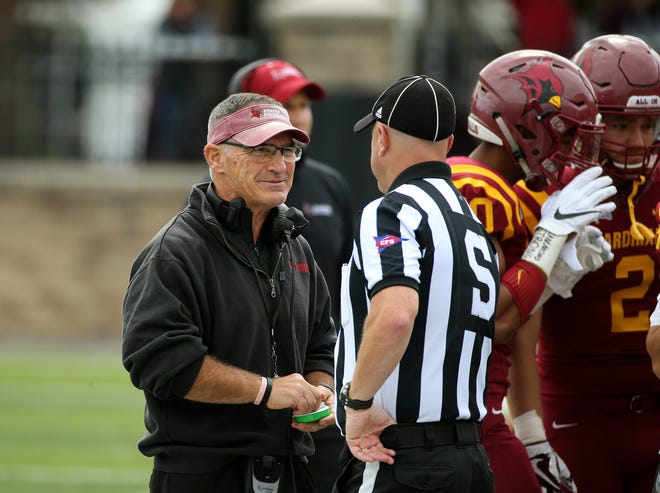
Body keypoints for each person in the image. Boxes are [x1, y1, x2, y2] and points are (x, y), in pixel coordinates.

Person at [122, 92, 337, 493]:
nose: (279, 165)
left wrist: (320, 387)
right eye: (261, 150)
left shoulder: (296, 246)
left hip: (292, 471)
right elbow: (159, 360)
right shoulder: (175, 251)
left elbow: (322, 340)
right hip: (203, 476)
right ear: (215, 156)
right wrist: (265, 390)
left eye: (288, 151)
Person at [447, 49, 618, 492]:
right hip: (461, 416)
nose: (571, 151)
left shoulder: (510, 191)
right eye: (563, 134)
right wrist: (548, 244)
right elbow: (492, 321)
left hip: (480, 409)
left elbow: (512, 322)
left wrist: (548, 278)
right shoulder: (475, 188)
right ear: (528, 127)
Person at [333, 75, 500, 493]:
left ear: (381, 137)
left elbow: (395, 315)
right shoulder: (472, 222)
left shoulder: (392, 210)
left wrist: (357, 404)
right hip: (470, 460)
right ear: (447, 145)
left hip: (403, 458)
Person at [512, 34, 660, 492]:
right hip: (577, 415)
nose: (638, 141)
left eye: (650, 124)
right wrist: (530, 431)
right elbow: (518, 324)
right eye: (619, 125)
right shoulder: (547, 192)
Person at [226, 58, 354, 492]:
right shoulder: (222, 203)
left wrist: (326, 380)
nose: (298, 116)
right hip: (247, 400)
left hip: (320, 389)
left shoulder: (331, 185)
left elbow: (347, 286)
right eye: (285, 104)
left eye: (303, 104)